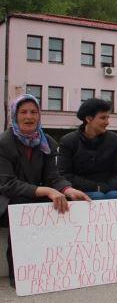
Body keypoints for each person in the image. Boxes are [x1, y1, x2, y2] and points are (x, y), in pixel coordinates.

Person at [0, 94, 90, 287]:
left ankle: (60, 268)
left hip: (34, 195)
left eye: (34, 112)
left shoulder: (45, 140)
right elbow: (7, 184)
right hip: (7, 199)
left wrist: (67, 189)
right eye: (23, 112)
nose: (29, 117)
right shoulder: (4, 143)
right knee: (23, 208)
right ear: (14, 116)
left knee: (66, 202)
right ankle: (20, 275)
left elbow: (52, 176)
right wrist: (47, 191)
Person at [58, 98, 117, 200]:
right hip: (80, 191)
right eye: (103, 118)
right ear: (89, 119)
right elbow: (64, 174)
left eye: (108, 117)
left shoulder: (115, 140)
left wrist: (107, 187)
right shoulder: (68, 141)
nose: (107, 122)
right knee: (97, 196)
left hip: (109, 189)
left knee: (114, 196)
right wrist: (95, 187)